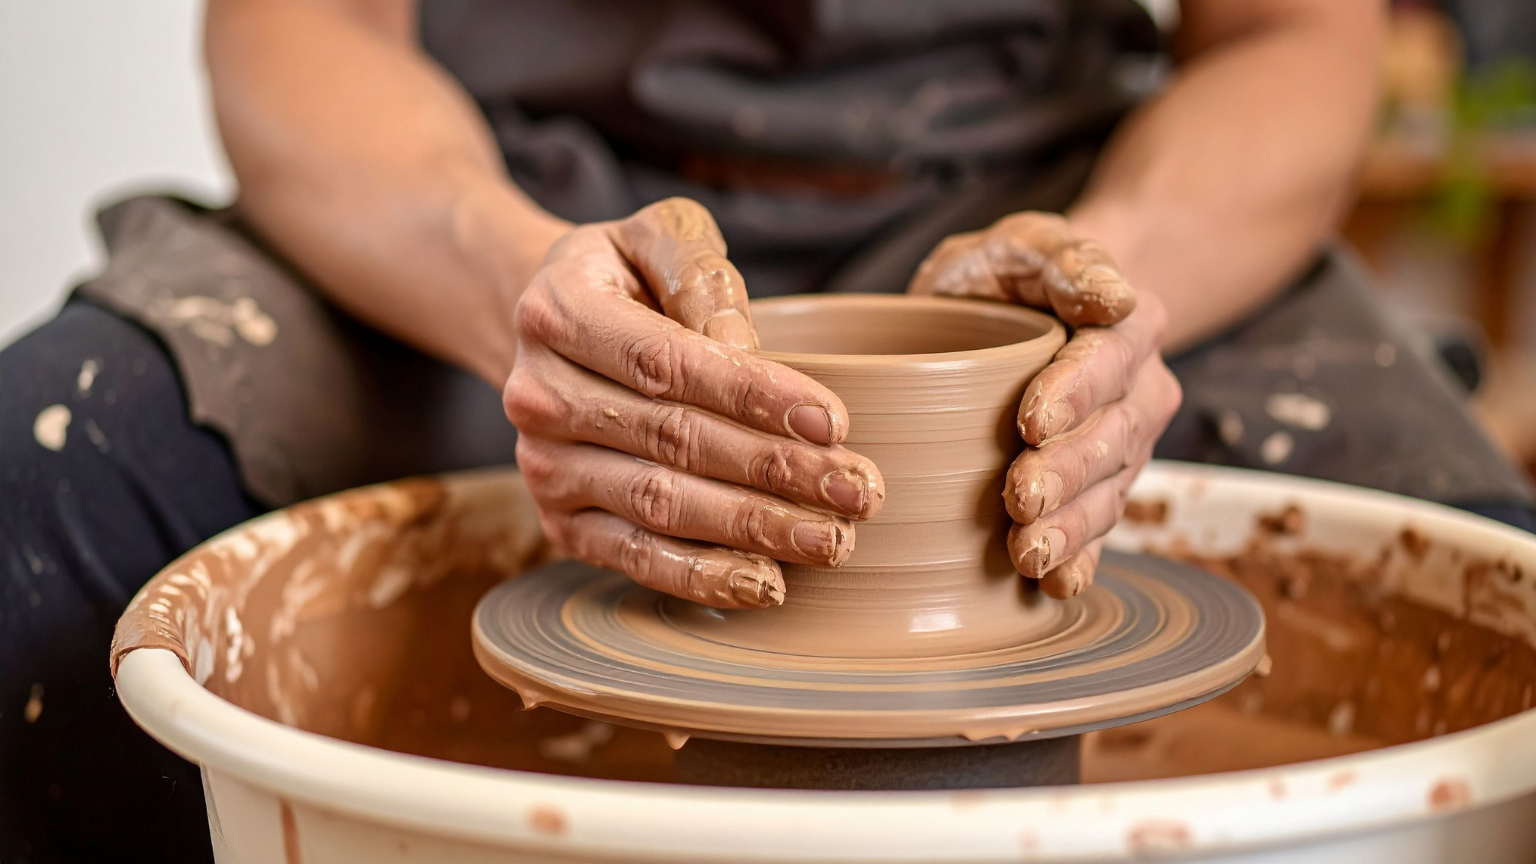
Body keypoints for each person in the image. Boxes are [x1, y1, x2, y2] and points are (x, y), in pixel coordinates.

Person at [3, 0, 1530, 860]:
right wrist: (505, 276)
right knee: (43, 500)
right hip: (507, 197)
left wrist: (1120, 275)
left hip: (1034, 199)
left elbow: (1290, 37)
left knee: (1489, 600)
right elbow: (300, 30)